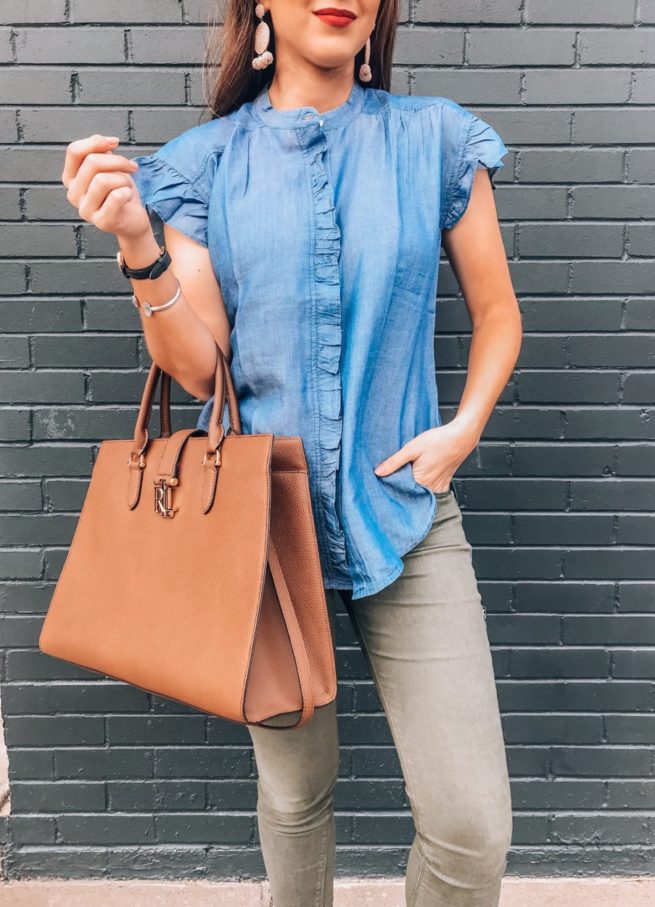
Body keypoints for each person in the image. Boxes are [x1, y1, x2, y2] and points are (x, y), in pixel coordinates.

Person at [61, 0, 522, 903]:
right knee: (296, 792)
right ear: (258, 5)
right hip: (260, 534)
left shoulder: (435, 139)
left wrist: (460, 430)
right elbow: (201, 367)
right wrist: (136, 244)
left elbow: (498, 314)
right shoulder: (204, 163)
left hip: (408, 511)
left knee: (470, 826)